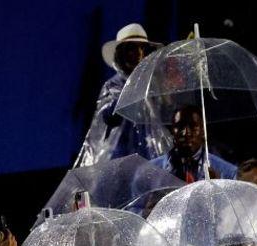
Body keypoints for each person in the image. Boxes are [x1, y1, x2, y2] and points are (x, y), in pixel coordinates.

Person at [75, 23, 170, 167]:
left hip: (149, 158)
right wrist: (133, 87)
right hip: (120, 160)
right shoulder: (113, 85)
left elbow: (166, 115)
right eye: (132, 48)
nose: (139, 53)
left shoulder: (153, 84)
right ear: (122, 53)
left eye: (142, 48)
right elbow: (109, 117)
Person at [150, 106, 238, 182]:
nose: (186, 133)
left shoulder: (227, 172)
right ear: (172, 131)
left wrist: (219, 189)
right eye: (180, 126)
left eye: (193, 126)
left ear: (203, 131)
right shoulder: (151, 171)